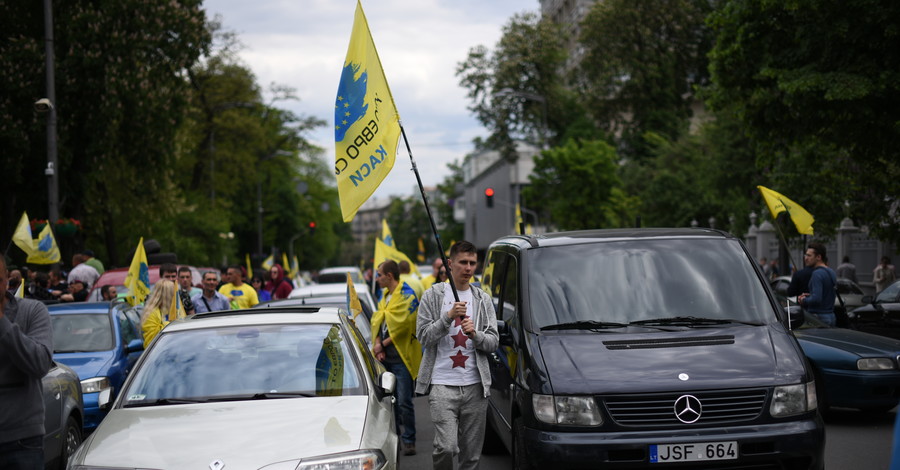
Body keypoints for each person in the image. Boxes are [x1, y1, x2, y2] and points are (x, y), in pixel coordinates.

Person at [416, 241, 499, 470]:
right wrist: (448, 317)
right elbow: (422, 337)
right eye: (463, 262)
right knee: (447, 447)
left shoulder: (483, 300)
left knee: (471, 456)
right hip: (442, 384)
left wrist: (475, 335)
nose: (468, 268)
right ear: (450, 264)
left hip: (475, 386)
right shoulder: (432, 296)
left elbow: (493, 343)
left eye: (473, 263)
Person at [0, 255, 53, 468]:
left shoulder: (32, 311)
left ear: (5, 281)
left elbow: (40, 363)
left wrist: (2, 322)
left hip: (21, 442)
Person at [371, 260, 422, 456]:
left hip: (401, 358)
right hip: (384, 358)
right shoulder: (384, 296)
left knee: (404, 402)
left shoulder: (407, 296)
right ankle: (395, 439)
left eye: (379, 275)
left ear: (389, 276)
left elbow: (403, 327)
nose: (377, 279)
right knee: (389, 404)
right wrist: (378, 345)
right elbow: (378, 321)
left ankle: (409, 440)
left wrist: (381, 345)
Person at [797, 242, 838, 327]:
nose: (805, 258)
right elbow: (826, 293)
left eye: (809, 255)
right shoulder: (831, 271)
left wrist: (803, 300)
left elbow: (816, 299)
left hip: (819, 318)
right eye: (806, 255)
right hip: (831, 316)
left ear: (819, 257)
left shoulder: (817, 274)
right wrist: (810, 295)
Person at [140, 280, 183, 347]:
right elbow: (152, 341)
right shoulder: (151, 314)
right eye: (173, 292)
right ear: (168, 294)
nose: (175, 296)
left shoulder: (174, 311)